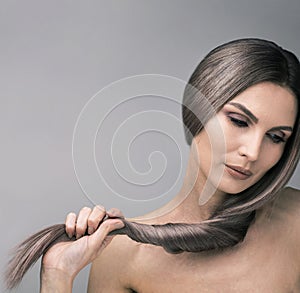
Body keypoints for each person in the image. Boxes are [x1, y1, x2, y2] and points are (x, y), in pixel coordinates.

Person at [5, 38, 300, 292]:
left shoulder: (295, 221)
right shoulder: (123, 255)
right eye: (238, 121)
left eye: (275, 137)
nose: (252, 151)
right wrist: (57, 276)